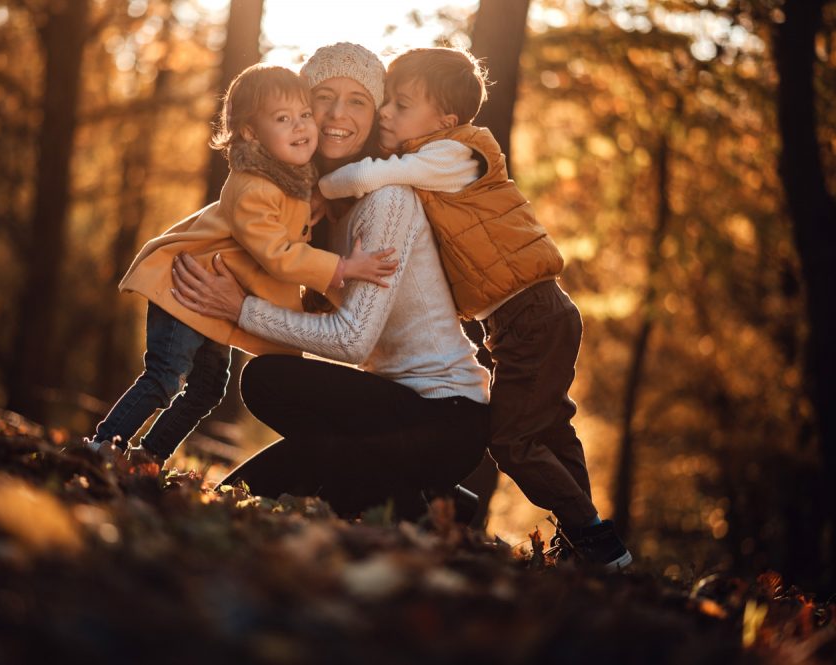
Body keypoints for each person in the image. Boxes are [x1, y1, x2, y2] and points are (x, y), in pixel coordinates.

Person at [317, 47, 631, 569]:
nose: (387, 113)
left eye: (401, 104)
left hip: (532, 315)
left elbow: (371, 176)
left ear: (446, 119)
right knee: (550, 426)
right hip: (523, 321)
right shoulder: (437, 159)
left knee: (512, 442)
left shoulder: (453, 153)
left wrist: (319, 186)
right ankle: (590, 536)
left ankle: (594, 537)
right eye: (387, 102)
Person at [172, 42, 490, 521]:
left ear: (375, 112)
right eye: (323, 96)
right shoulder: (316, 205)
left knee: (266, 381)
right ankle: (423, 500)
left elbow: (353, 341)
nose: (338, 113)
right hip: (387, 411)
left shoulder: (387, 201)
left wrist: (239, 310)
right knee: (256, 487)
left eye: (358, 100)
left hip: (444, 415)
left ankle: (416, 495)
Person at [85, 64, 397, 460]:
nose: (300, 127)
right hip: (187, 286)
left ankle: (150, 457)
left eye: (304, 115)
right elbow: (279, 256)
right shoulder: (252, 185)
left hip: (213, 299)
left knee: (207, 390)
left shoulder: (292, 177)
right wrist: (343, 269)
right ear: (251, 132)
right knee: (165, 377)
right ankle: (103, 443)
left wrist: (315, 200)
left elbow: (298, 209)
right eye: (283, 119)